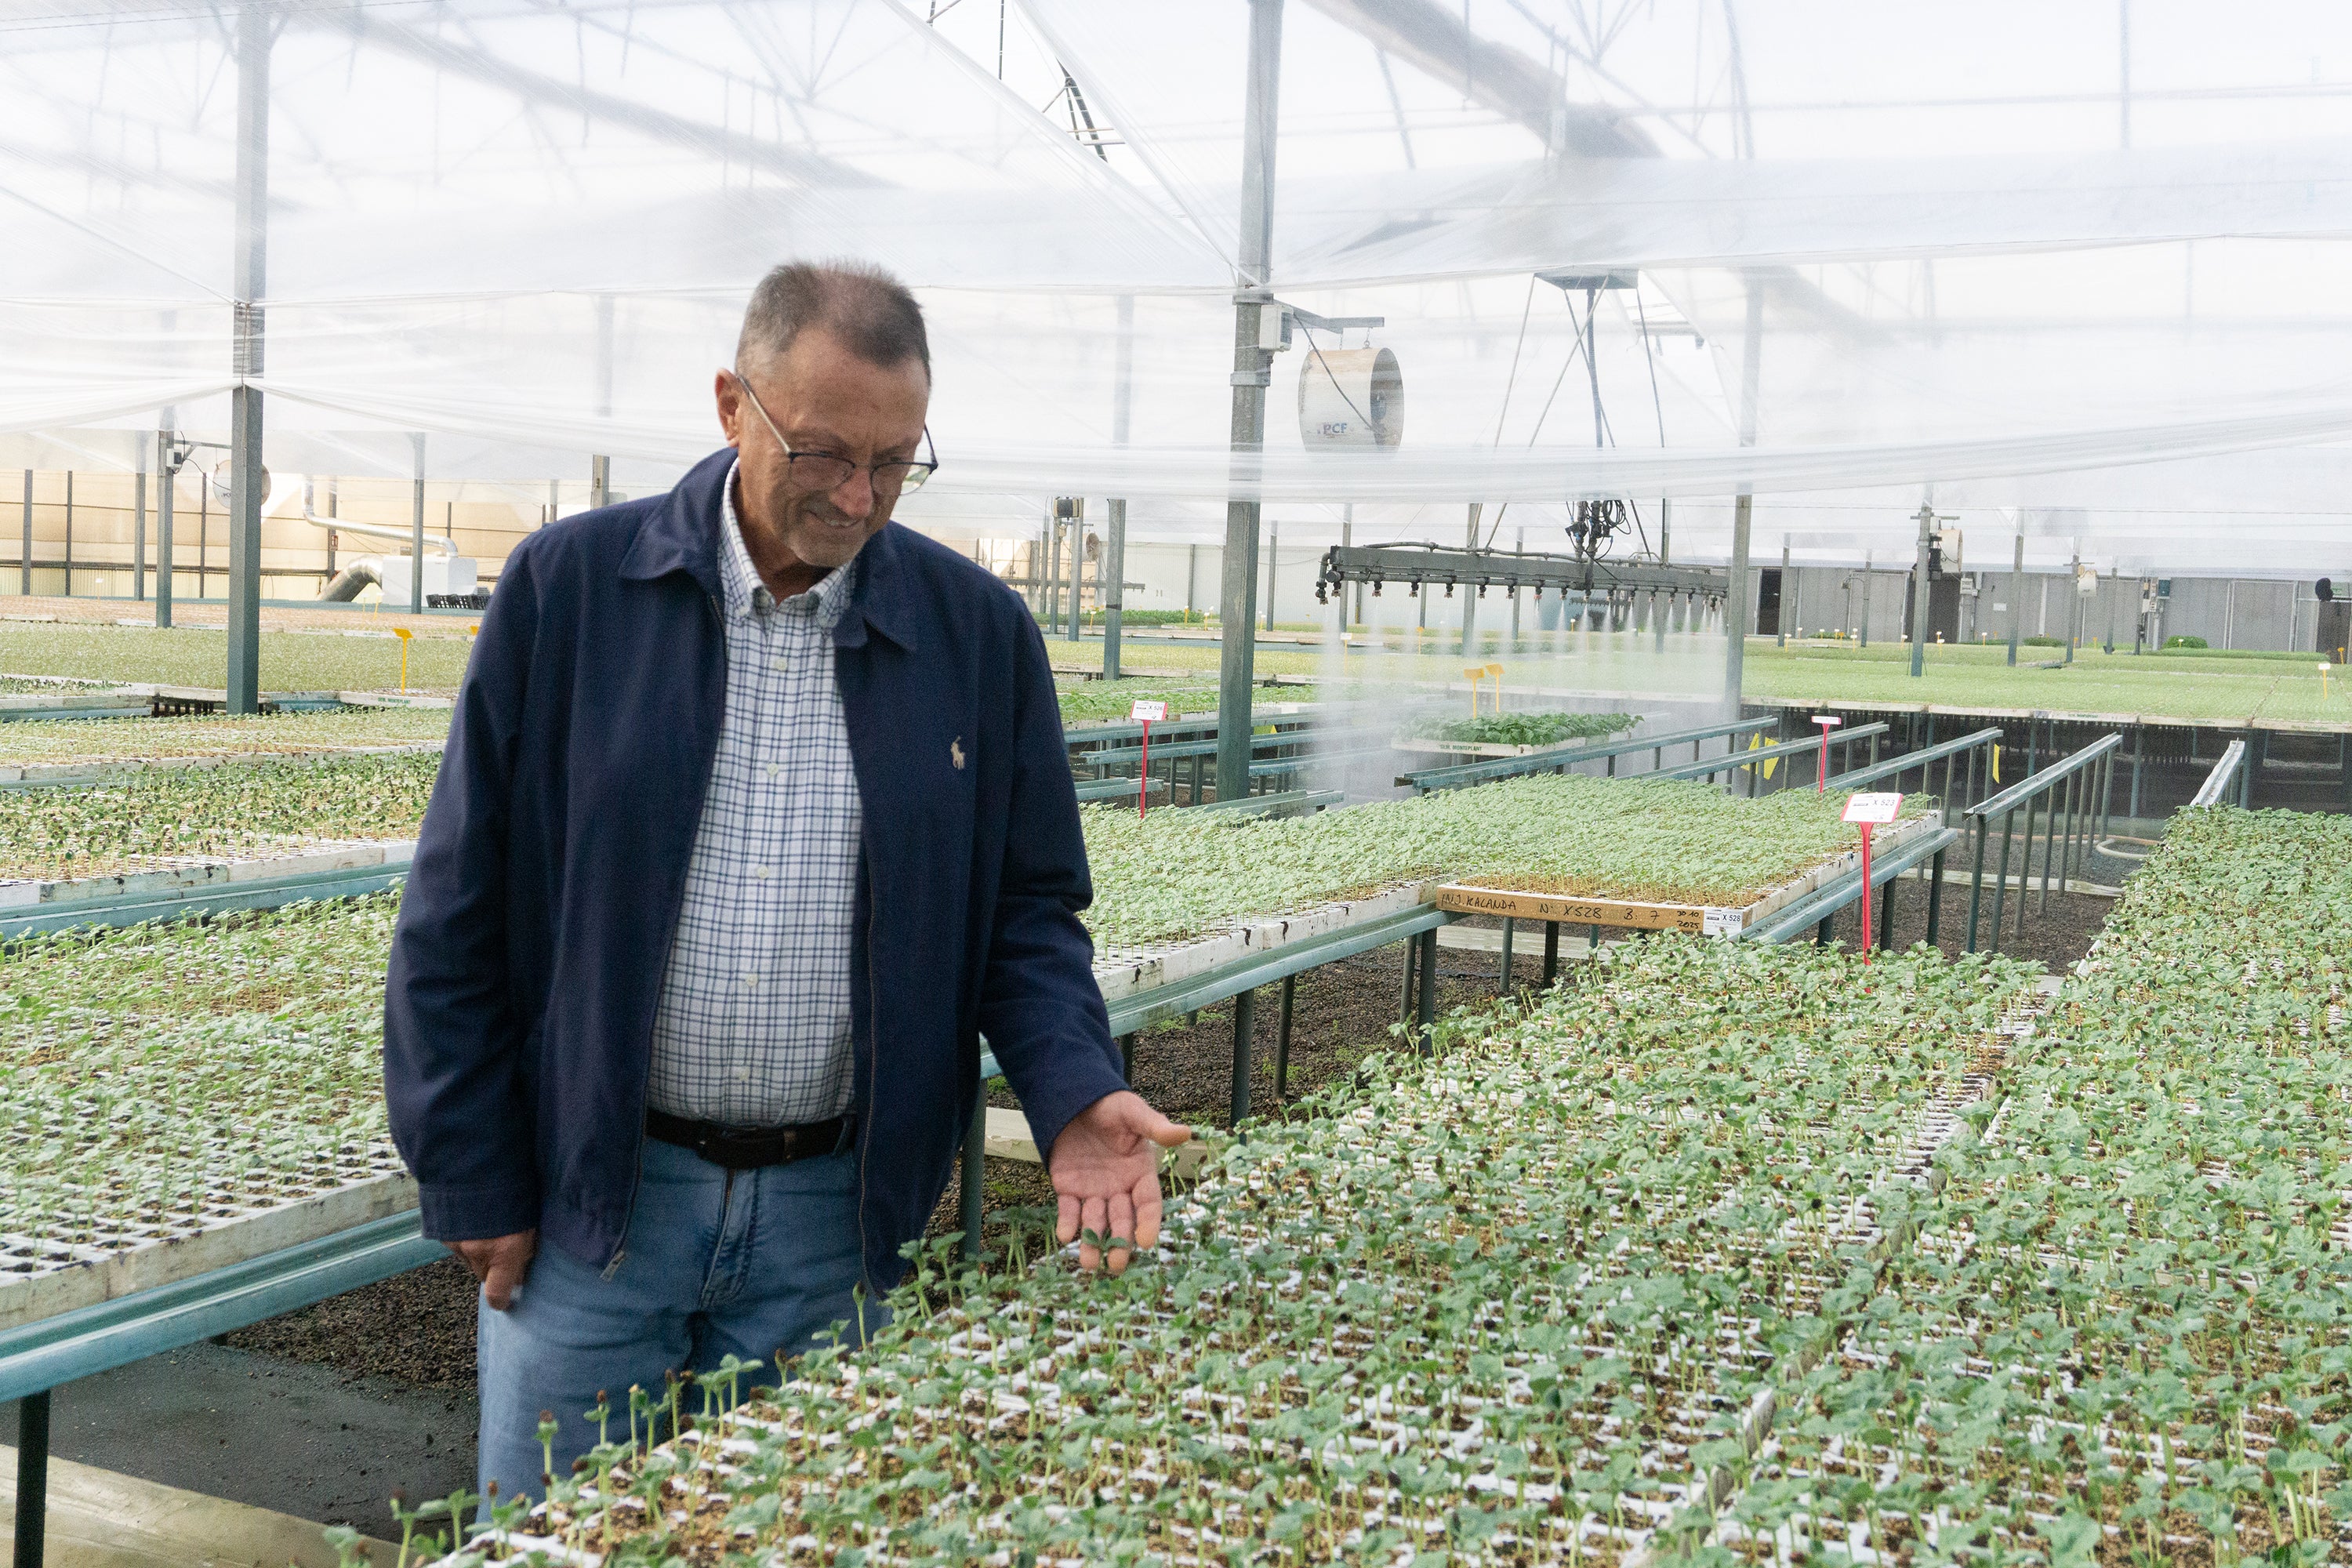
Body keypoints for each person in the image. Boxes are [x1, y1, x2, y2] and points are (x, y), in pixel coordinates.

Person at [383, 260, 1189, 1501]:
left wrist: (1075, 1090)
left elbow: (1026, 913)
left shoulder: (976, 636)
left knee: (784, 1526)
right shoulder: (571, 593)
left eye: (896, 460)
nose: (860, 496)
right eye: (821, 454)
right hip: (597, 1196)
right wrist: (474, 1172)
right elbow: (457, 908)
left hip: (834, 1210)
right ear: (731, 405)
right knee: (552, 1527)